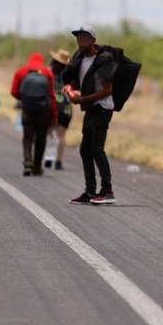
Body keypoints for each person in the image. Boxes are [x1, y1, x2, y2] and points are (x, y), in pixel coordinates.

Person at [62, 25, 117, 205]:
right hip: (91, 107)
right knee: (85, 149)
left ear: (93, 40)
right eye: (79, 38)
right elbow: (78, 82)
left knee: (96, 148)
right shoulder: (79, 58)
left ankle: (107, 191)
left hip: (103, 106)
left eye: (85, 38)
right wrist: (69, 89)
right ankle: (90, 191)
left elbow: (107, 90)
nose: (81, 41)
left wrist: (83, 99)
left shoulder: (103, 59)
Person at [11, 52, 57, 176]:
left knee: (27, 136)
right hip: (44, 111)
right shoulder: (47, 73)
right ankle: (37, 167)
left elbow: (13, 91)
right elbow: (52, 96)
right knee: (41, 138)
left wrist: (23, 98)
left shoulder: (21, 71)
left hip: (27, 109)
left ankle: (27, 163)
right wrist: (54, 115)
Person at [45, 49, 73, 170]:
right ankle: (59, 162)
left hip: (53, 104)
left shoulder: (49, 72)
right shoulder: (71, 74)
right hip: (66, 107)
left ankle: (49, 158)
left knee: (50, 132)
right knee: (61, 135)